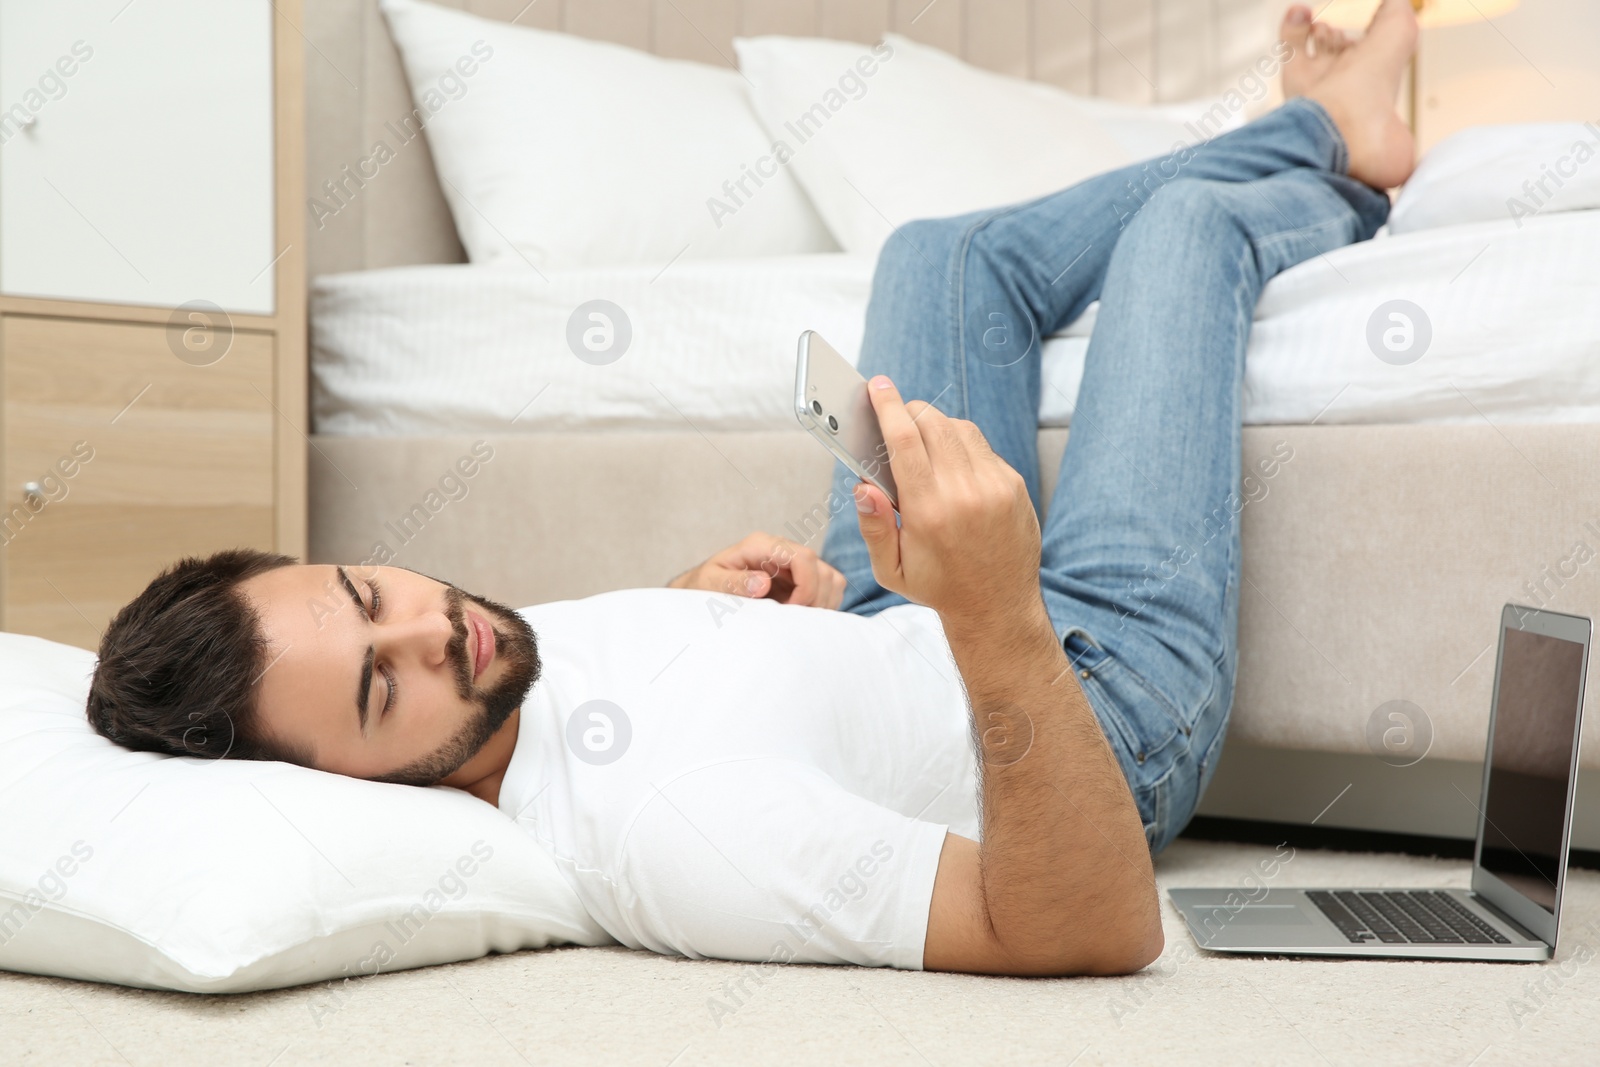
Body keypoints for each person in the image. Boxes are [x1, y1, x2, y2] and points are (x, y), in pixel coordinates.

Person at [84, 2, 1417, 977]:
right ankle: (1339, 158)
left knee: (941, 261)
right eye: (386, 685)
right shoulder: (676, 842)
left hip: (891, 620)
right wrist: (1002, 617)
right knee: (1185, 235)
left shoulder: (496, 691)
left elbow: (636, 709)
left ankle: (1303, 123)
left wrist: (704, 613)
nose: (435, 629)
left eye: (373, 591)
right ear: (362, 792)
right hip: (1097, 693)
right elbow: (1091, 927)